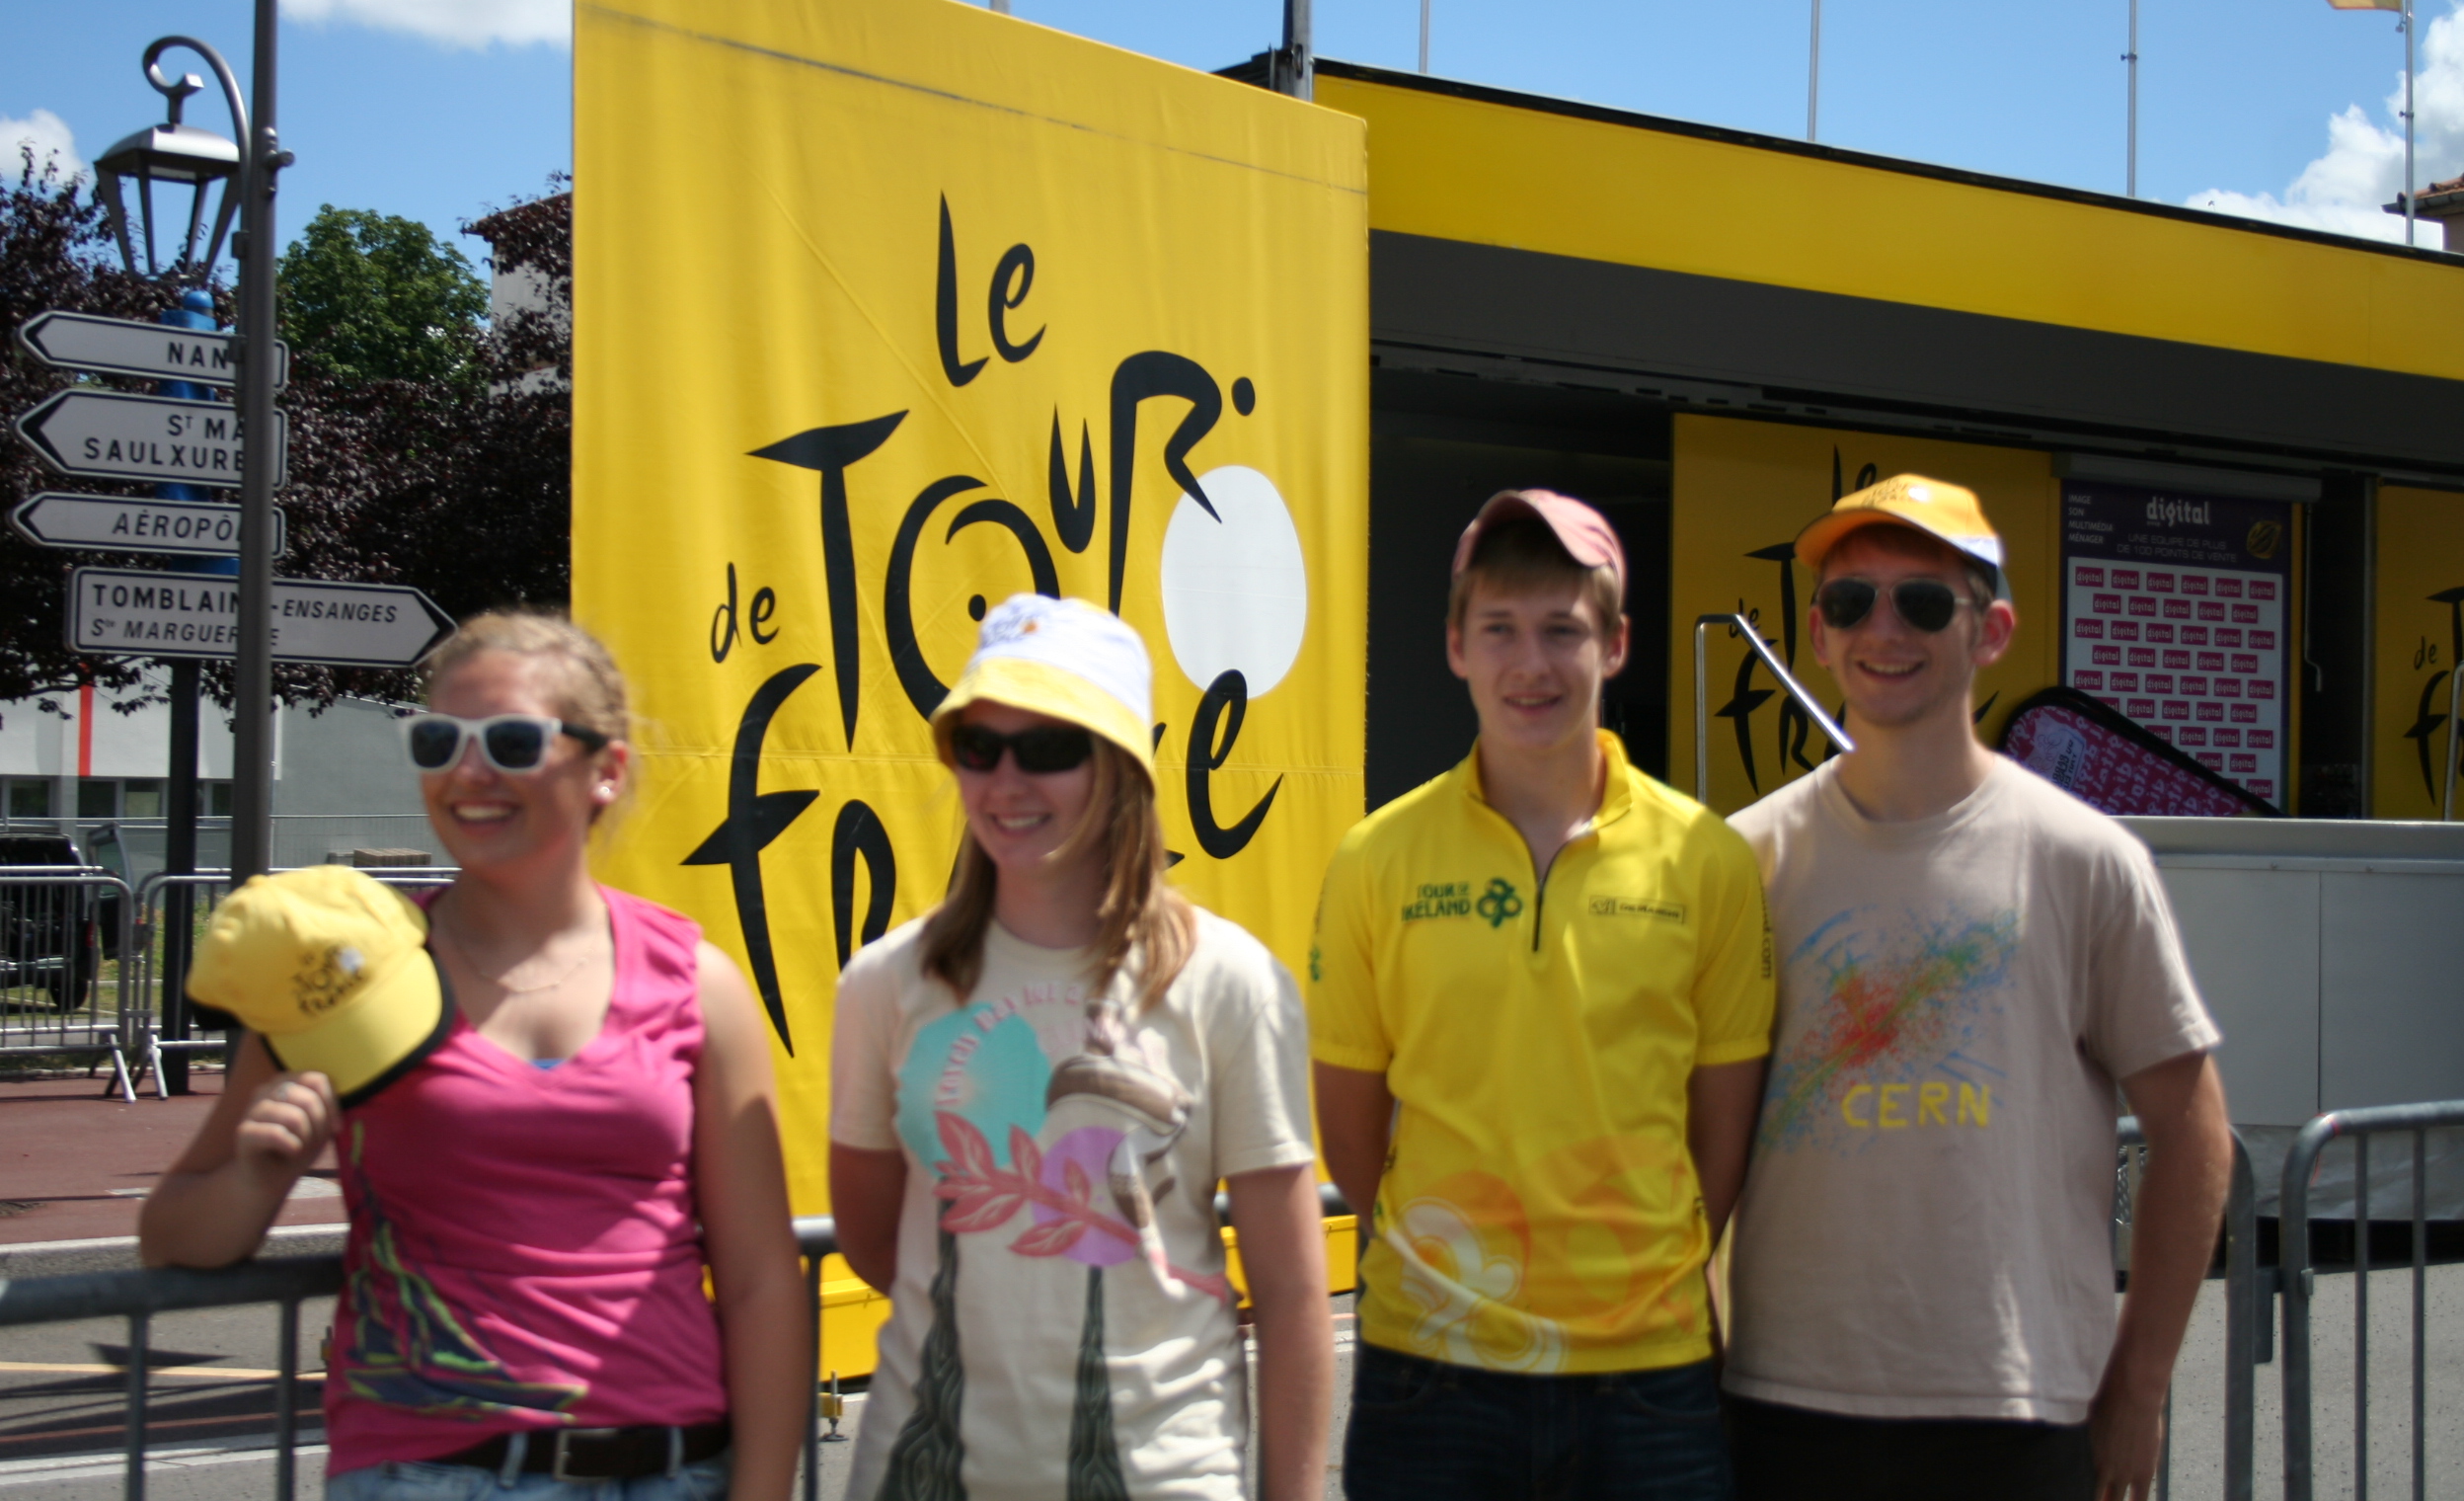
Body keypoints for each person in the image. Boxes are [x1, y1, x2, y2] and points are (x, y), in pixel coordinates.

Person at [142, 611, 808, 1501]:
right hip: (427, 1478)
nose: (468, 771)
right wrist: (257, 1176)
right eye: (438, 741)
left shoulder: (697, 981)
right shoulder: (346, 978)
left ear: (606, 769)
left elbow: (761, 1280)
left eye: (510, 741)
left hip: (673, 1473)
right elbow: (173, 1234)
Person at [1721, 476, 2234, 1501]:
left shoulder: (2084, 861)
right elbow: (1698, 1140)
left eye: (1922, 601)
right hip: (1782, 1405)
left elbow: (2193, 1136)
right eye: (1849, 600)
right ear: (1817, 633)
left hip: (2016, 1407)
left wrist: (2139, 1383)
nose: (1883, 629)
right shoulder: (1744, 860)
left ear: (1991, 631)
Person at [1309, 491, 1774, 1501]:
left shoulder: (1708, 858)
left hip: (1649, 1372)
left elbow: (1721, 1130)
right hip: (1430, 1368)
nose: (1532, 663)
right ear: (1454, 646)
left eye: (1563, 629)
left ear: (1617, 644)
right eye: (1499, 629)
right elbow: (1349, 1128)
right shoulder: (1375, 858)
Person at [828, 593, 1330, 1501]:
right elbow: (872, 1241)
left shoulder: (1234, 983)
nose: (1006, 781)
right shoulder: (884, 982)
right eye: (979, 746)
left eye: (1050, 747)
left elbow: (1293, 1295)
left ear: (1121, 765)